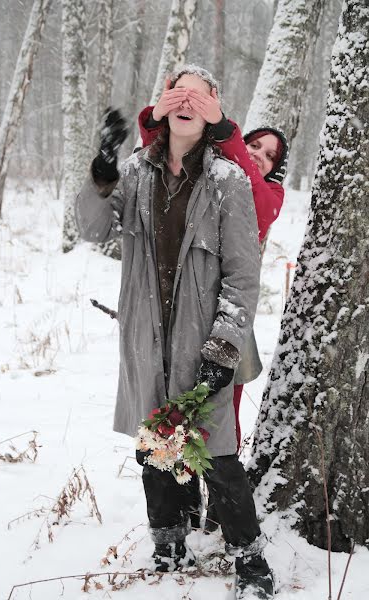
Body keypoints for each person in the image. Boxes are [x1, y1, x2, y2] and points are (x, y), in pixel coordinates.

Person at [75, 64, 274, 599]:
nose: (186, 98)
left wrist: (223, 347)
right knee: (154, 449)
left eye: (201, 91)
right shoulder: (137, 172)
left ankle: (250, 560)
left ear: (213, 108)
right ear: (162, 106)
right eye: (175, 89)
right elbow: (91, 230)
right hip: (145, 341)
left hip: (201, 343)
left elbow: (242, 275)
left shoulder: (228, 180)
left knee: (221, 459)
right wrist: (101, 171)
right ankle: (168, 545)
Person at [137, 82, 289, 453]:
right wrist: (154, 119)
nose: (258, 156)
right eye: (254, 145)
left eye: (269, 156)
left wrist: (228, 135)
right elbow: (164, 160)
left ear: (276, 169)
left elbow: (258, 205)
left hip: (230, 313)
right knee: (171, 413)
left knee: (219, 425)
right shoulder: (214, 173)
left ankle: (221, 501)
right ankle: (178, 495)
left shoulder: (269, 194)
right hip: (184, 305)